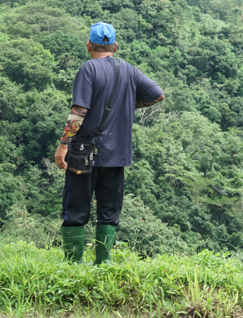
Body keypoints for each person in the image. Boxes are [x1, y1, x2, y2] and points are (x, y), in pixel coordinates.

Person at [54, 22, 164, 264]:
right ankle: (103, 263)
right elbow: (158, 95)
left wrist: (64, 144)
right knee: (108, 211)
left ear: (89, 46)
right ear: (115, 46)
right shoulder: (130, 71)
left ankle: (74, 265)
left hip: (84, 153)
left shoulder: (88, 69)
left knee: (76, 208)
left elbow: (79, 109)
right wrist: (128, 104)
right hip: (116, 155)